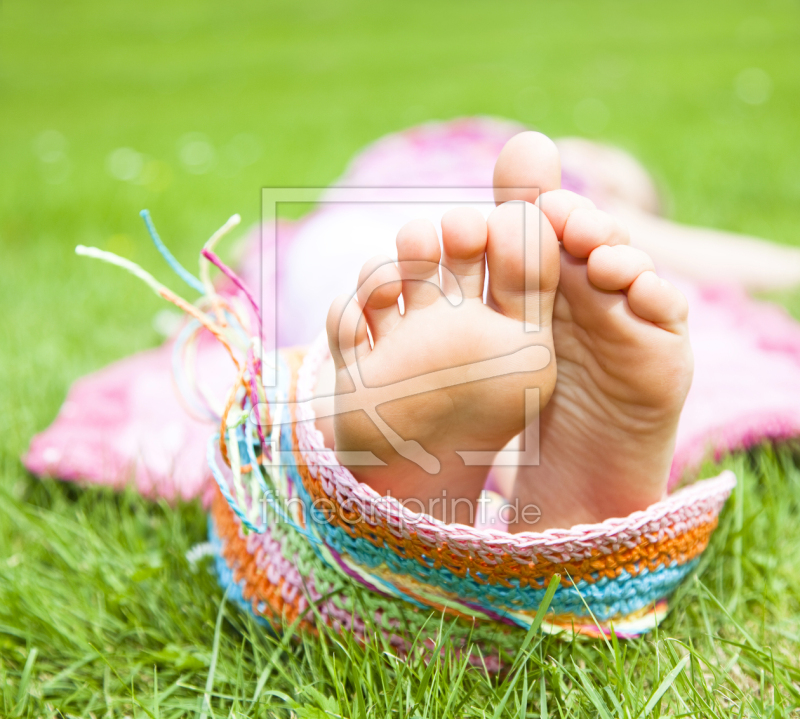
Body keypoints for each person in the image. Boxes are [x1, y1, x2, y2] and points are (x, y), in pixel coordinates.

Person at [306, 131, 800, 532]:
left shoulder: (574, 202)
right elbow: (694, 250)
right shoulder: (560, 214)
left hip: (348, 247)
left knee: (352, 335)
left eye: (612, 168)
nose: (594, 155)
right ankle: (529, 478)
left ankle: (358, 444)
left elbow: (683, 245)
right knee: (428, 339)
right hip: (403, 258)